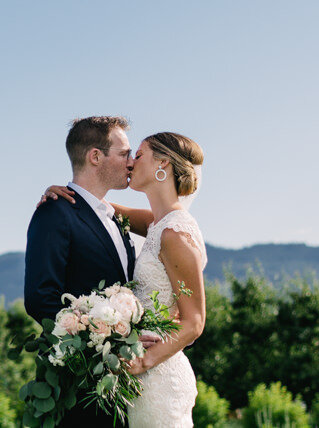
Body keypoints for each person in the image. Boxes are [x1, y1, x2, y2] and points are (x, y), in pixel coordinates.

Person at [41, 131, 207, 428]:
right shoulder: (156, 223)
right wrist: (65, 196)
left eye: (138, 155)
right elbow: (99, 210)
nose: (131, 163)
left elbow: (194, 322)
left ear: (163, 164)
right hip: (138, 375)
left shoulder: (176, 234)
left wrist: (143, 361)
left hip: (157, 373)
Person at [24, 116, 153, 428]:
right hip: (78, 388)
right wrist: (103, 342)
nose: (131, 162)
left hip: (121, 387)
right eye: (124, 153)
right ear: (95, 156)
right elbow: (40, 299)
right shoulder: (54, 211)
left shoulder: (112, 217)